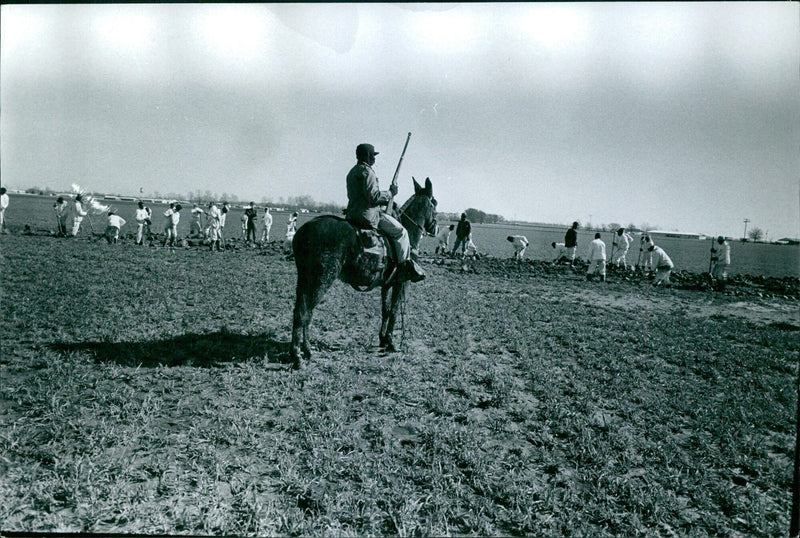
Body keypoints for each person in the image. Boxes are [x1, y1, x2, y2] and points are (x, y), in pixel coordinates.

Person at [345, 143, 425, 283]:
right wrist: (390, 193)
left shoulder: (352, 172)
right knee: (401, 232)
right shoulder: (368, 172)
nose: (374, 159)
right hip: (368, 216)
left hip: (352, 214)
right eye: (373, 156)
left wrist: (386, 199)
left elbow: (361, 196)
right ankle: (404, 267)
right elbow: (373, 197)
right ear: (368, 156)